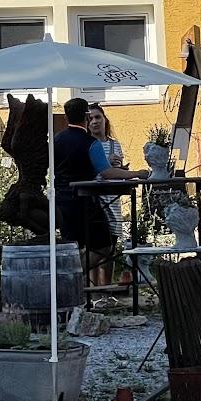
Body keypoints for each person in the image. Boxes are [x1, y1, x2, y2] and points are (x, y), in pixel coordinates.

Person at [53, 98, 146, 276]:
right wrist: (136, 173)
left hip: (61, 201)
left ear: (66, 117)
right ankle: (72, 273)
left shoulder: (57, 139)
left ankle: (73, 286)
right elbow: (107, 173)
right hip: (84, 201)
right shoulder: (91, 143)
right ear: (86, 116)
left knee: (72, 246)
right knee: (104, 245)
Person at [86, 103, 126, 289]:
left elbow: (116, 170)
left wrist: (120, 169)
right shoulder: (88, 145)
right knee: (95, 248)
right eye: (90, 118)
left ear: (104, 119)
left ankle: (107, 290)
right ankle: (94, 291)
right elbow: (89, 172)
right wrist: (105, 164)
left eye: (97, 117)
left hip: (114, 199)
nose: (94, 122)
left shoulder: (114, 144)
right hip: (96, 201)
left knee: (111, 248)